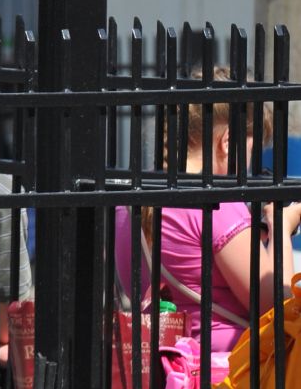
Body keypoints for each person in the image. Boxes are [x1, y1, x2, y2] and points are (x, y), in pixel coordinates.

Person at [115, 80, 301, 354]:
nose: (249, 167)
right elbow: (278, 307)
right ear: (226, 141)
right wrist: (282, 225)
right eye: (249, 151)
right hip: (225, 380)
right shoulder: (217, 206)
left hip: (159, 374)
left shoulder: (129, 208)